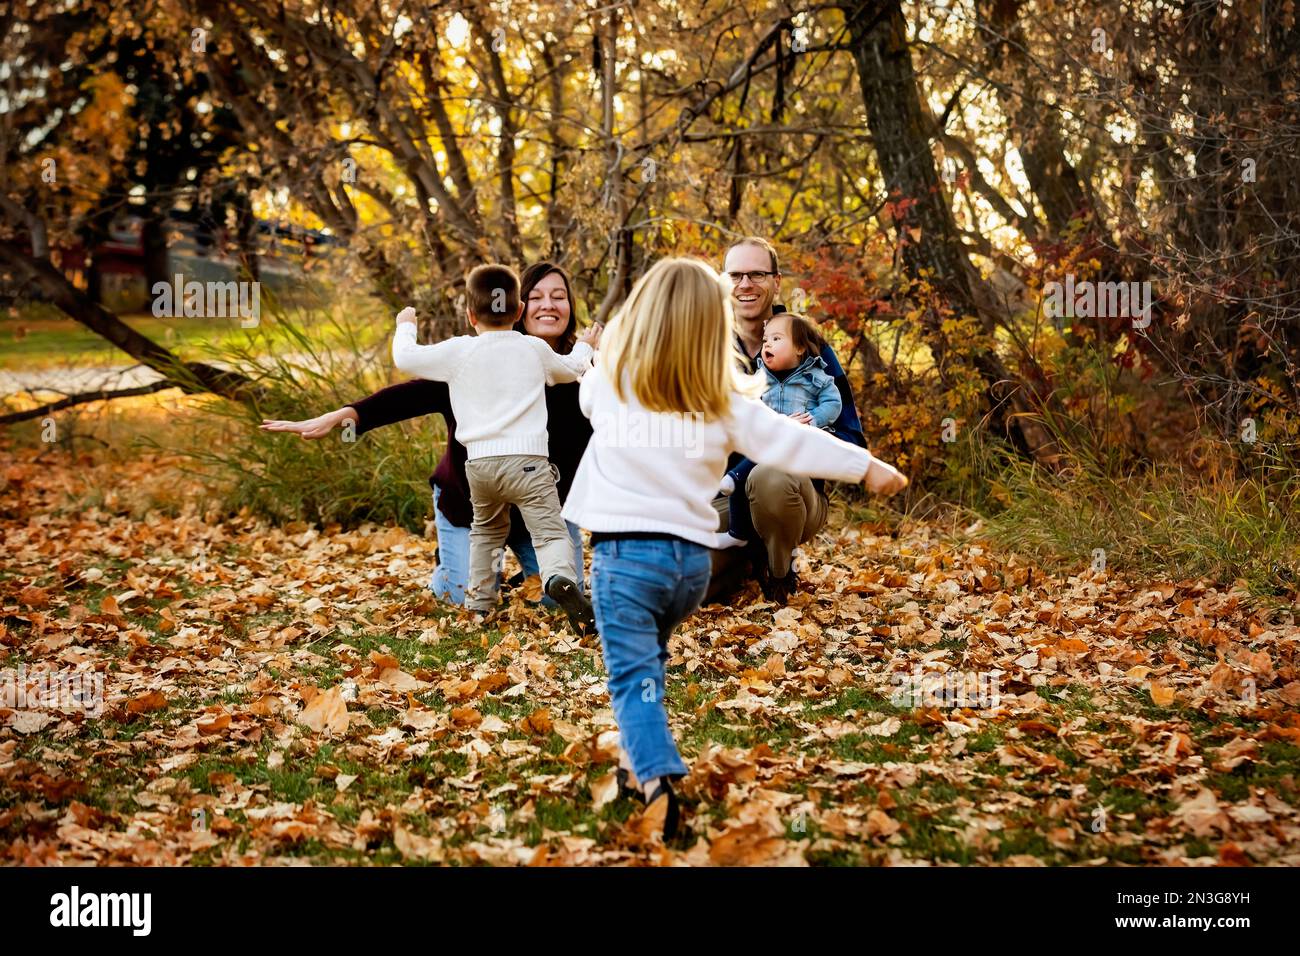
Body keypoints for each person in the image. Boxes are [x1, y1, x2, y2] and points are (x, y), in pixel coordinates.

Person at [563, 257, 907, 839]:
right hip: (688, 569)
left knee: (631, 675)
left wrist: (604, 350)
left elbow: (587, 396)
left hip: (625, 561)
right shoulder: (720, 399)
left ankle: (658, 783)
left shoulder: (613, 382)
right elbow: (790, 440)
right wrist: (866, 467)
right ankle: (632, 758)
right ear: (712, 326)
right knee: (650, 661)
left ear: (639, 319)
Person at [260, 262, 593, 607]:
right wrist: (348, 415)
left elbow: (606, 445)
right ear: (520, 308)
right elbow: (410, 395)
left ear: (571, 305)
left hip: (538, 509)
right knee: (458, 593)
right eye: (536, 296)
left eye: (559, 296)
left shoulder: (586, 378)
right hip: (469, 502)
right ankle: (454, 566)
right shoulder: (479, 360)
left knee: (559, 597)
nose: (549, 305)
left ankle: (518, 577)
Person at [390, 263, 598, 633]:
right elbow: (572, 368)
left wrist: (407, 324)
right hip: (529, 467)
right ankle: (557, 577)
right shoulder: (533, 348)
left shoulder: (458, 351)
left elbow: (405, 359)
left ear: (470, 315)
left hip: (480, 470)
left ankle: (480, 605)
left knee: (485, 534)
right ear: (519, 311)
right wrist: (587, 344)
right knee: (550, 533)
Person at [710, 236, 874, 603]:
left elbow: (852, 439)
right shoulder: (705, 349)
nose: (745, 284)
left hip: (792, 494)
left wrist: (807, 431)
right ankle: (744, 559)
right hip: (722, 498)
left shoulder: (808, 346)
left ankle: (777, 566)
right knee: (688, 577)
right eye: (736, 275)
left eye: (757, 274)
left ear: (776, 281)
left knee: (771, 475)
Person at [718, 312, 841, 547]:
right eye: (766, 340)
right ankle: (737, 532)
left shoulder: (815, 376)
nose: (768, 344)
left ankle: (779, 565)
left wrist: (812, 421)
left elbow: (834, 404)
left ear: (799, 348)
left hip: (796, 450)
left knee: (763, 473)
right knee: (747, 467)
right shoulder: (760, 377)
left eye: (776, 339)